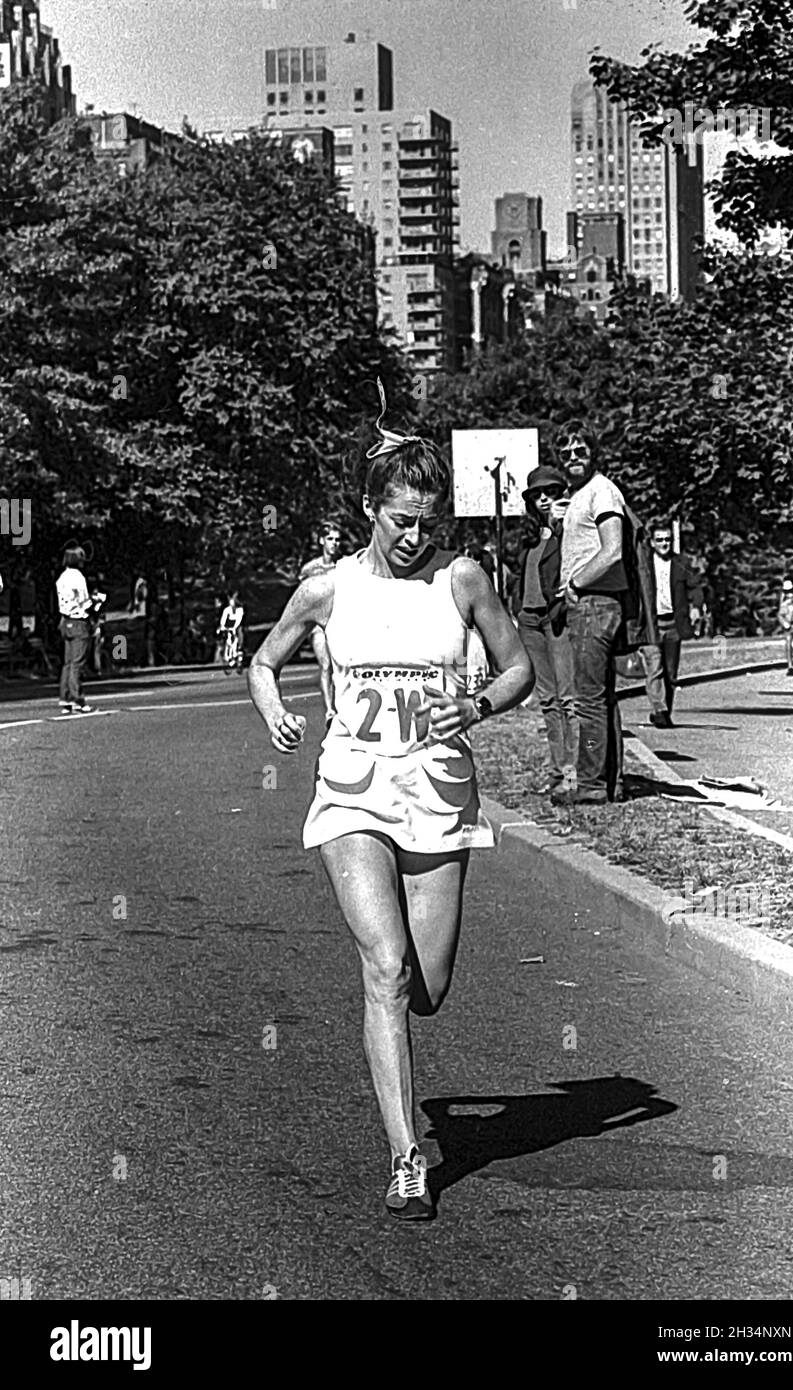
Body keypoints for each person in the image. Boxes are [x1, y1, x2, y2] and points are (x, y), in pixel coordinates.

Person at [247, 381, 533, 1220]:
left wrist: (476, 705)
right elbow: (264, 662)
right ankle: (407, 1156)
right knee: (385, 966)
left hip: (439, 796)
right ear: (370, 507)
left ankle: (406, 1060)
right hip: (353, 793)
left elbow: (518, 669)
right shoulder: (329, 588)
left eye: (427, 523)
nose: (414, 537)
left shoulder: (464, 581)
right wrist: (274, 708)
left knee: (429, 984)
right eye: (400, 519)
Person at [557, 423, 629, 804]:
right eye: (566, 453)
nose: (573, 458)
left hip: (595, 602)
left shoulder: (602, 490)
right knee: (600, 698)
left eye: (580, 450)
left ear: (593, 451)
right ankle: (610, 782)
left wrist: (576, 583)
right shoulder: (581, 495)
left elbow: (613, 549)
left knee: (588, 700)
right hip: (591, 603)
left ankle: (590, 786)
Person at [513, 465, 578, 804]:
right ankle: (557, 770)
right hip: (529, 620)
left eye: (550, 492)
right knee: (548, 700)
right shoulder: (527, 536)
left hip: (557, 618)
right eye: (537, 495)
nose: (543, 499)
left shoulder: (568, 529)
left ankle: (574, 771)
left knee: (569, 698)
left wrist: (560, 524)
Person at [640, 522, 694, 729]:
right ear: (652, 543)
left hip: (673, 624)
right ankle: (659, 709)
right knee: (655, 669)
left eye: (668, 540)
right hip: (652, 624)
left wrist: (696, 606)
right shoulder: (644, 565)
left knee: (670, 674)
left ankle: (664, 712)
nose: (664, 544)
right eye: (660, 540)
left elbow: (695, 586)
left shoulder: (681, 563)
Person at [299, 521, 344, 718]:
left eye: (337, 540)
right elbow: (302, 596)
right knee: (325, 665)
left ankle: (345, 706)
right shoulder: (310, 569)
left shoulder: (346, 565)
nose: (334, 544)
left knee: (342, 666)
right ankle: (329, 709)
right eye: (330, 539)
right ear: (321, 541)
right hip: (319, 626)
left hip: (341, 623)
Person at [55, 542, 94, 714]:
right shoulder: (78, 577)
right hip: (78, 621)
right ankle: (78, 699)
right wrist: (96, 602)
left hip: (65, 620)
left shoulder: (62, 577)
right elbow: (84, 601)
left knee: (68, 662)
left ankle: (65, 698)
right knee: (78, 663)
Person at [217, 591, 244, 668]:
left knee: (237, 638)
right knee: (229, 639)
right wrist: (222, 627)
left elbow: (239, 620)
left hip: (237, 627)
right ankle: (228, 655)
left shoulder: (240, 610)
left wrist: (234, 627)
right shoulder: (227, 610)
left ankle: (238, 653)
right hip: (229, 627)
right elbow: (223, 619)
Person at [88, 576, 108, 675]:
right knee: (95, 649)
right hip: (94, 626)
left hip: (96, 627)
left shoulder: (96, 603)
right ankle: (96, 668)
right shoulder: (94, 602)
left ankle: (97, 668)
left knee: (96, 649)